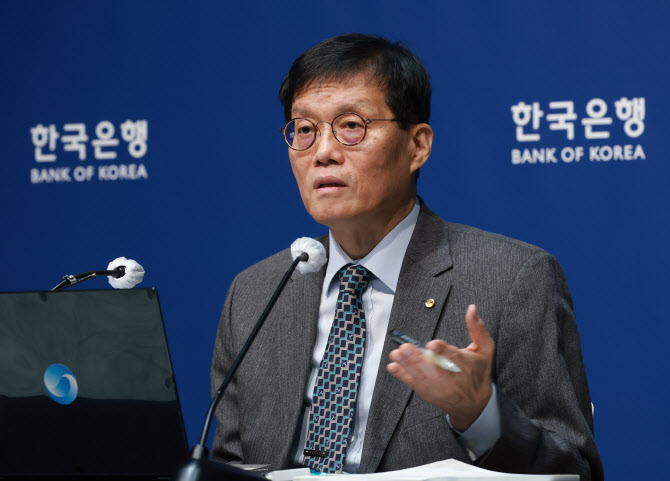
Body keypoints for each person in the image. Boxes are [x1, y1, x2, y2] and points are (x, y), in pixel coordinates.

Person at [211, 33, 603, 480]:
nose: (323, 153)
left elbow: (573, 471)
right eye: (304, 130)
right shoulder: (256, 292)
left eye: (352, 125)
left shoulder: (511, 279)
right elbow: (229, 465)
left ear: (417, 146)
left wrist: (480, 414)